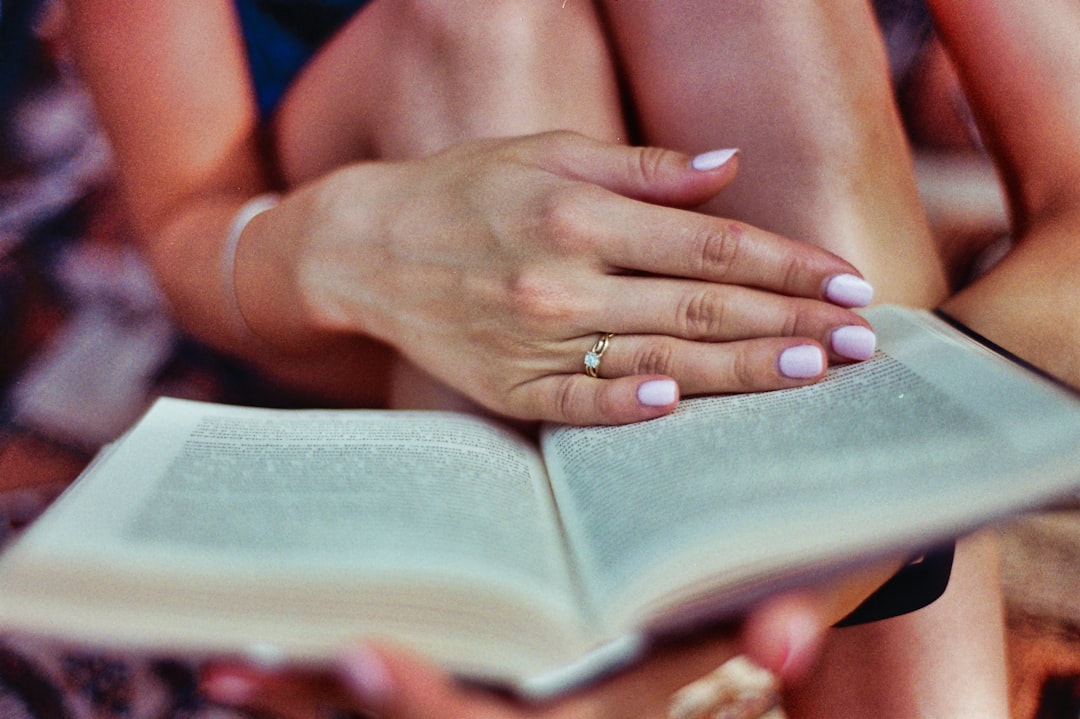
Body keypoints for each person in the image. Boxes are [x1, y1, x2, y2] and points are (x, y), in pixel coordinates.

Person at [60, 0, 1006, 717]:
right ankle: (519, 636)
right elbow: (187, 230)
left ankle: (886, 562)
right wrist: (346, 237)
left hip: (731, 217)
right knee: (485, 19)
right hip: (352, 284)